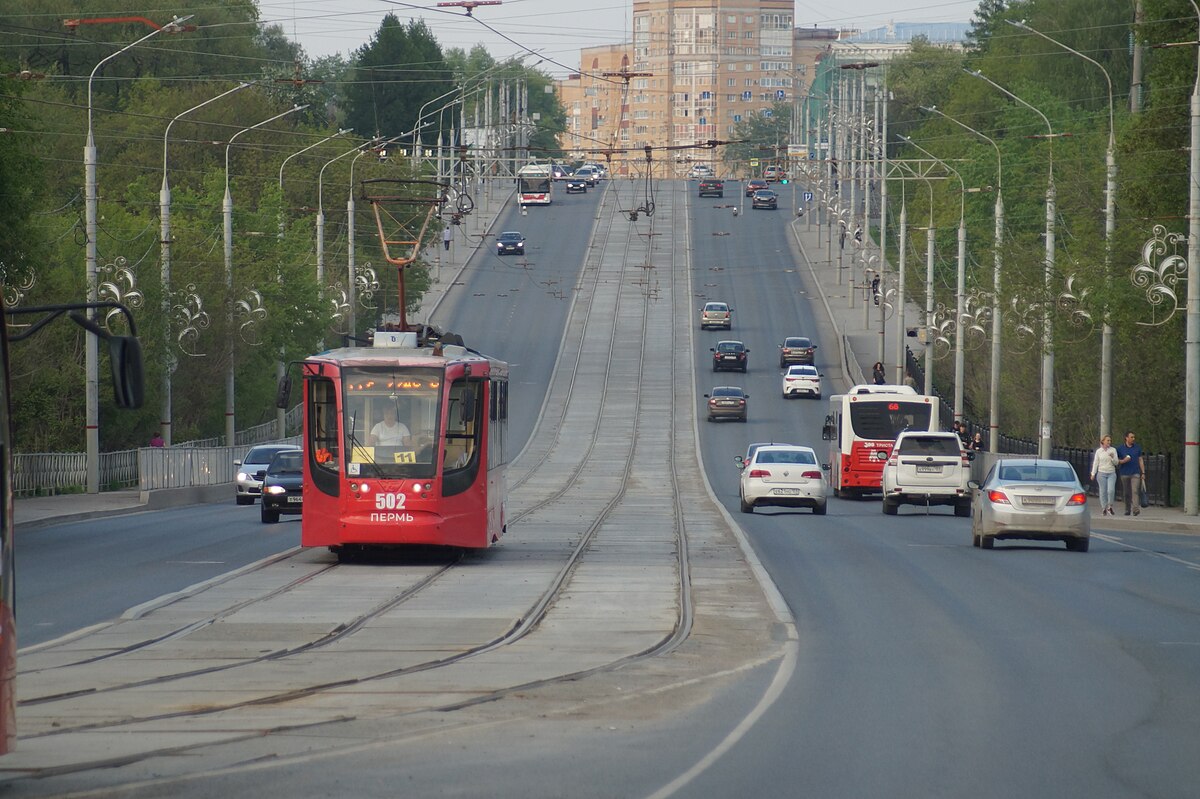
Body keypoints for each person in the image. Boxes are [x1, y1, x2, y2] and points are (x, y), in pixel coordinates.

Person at [1116, 430, 1145, 516]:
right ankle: (1127, 509)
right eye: (1131, 437)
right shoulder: (1120, 449)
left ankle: (1135, 509)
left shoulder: (1137, 448)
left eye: (1133, 437)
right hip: (1124, 473)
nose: (1133, 439)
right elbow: (1116, 461)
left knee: (1135, 490)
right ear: (1126, 438)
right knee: (1127, 492)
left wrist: (1143, 472)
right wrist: (1123, 461)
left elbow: (1140, 460)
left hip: (1135, 472)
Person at [1090, 434, 1120, 517]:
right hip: (1101, 473)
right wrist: (1093, 473)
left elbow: (1116, 463)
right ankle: (1104, 508)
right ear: (1103, 441)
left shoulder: (1113, 450)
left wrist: (1112, 458)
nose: (1109, 442)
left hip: (1111, 473)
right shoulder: (1099, 451)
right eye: (1107, 440)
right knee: (1103, 491)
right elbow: (1096, 463)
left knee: (1110, 490)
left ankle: (1110, 506)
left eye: (1110, 441)